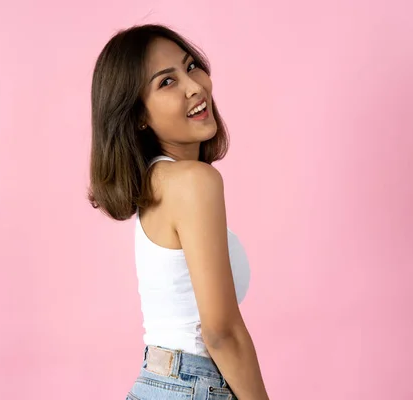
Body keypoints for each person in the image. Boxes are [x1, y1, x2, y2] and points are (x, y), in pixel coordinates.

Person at [88, 24, 270, 400]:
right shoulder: (192, 182)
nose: (194, 87)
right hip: (193, 385)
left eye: (190, 67)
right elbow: (220, 331)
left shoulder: (158, 181)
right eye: (166, 82)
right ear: (138, 115)